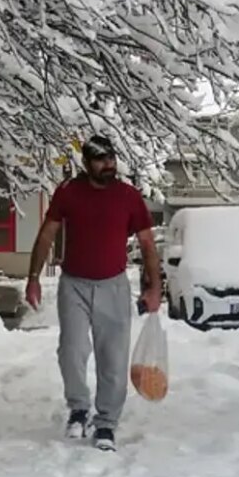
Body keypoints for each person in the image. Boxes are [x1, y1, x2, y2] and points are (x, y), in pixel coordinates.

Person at [25, 135, 162, 451]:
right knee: (71, 349)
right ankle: (78, 408)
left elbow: (147, 243)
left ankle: (106, 424)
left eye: (111, 158)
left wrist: (154, 287)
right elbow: (47, 234)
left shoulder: (128, 197)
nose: (108, 165)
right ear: (87, 163)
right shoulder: (69, 192)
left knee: (113, 357)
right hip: (74, 284)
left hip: (113, 285)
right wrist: (33, 277)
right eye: (101, 160)